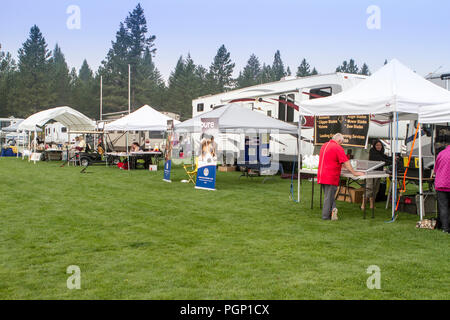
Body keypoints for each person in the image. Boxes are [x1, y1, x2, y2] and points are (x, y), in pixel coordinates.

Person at [317, 133, 364, 220]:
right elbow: (346, 162)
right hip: (330, 176)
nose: (341, 144)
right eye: (341, 143)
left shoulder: (325, 145)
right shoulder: (337, 147)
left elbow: (331, 159)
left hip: (321, 174)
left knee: (328, 196)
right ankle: (325, 216)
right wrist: (354, 172)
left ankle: (333, 211)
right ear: (339, 140)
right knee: (329, 197)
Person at [362, 140, 392, 210]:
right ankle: (363, 205)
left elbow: (386, 158)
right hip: (371, 173)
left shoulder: (381, 153)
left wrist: (394, 158)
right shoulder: (373, 153)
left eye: (380, 145)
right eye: (377, 145)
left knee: (375, 189)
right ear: (374, 146)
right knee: (369, 188)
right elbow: (383, 161)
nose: (379, 147)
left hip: (378, 173)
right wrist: (391, 162)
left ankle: (372, 205)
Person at [434, 144, 450, 234]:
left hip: (441, 184)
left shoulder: (441, 154)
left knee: (443, 207)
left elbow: (436, 169)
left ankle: (445, 228)